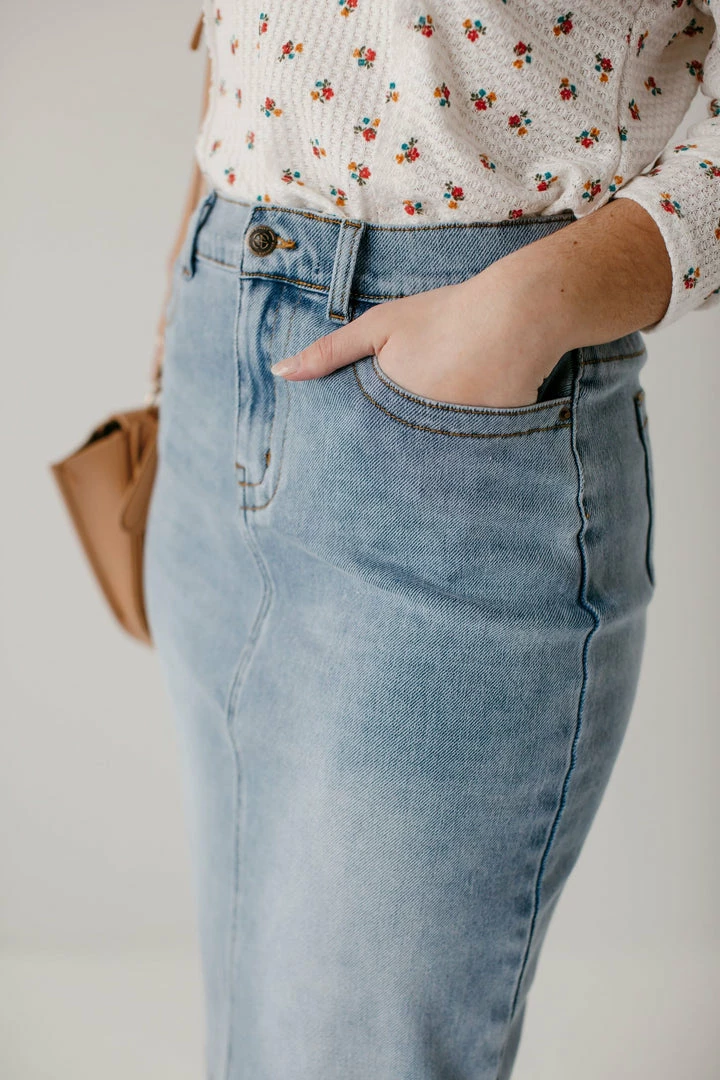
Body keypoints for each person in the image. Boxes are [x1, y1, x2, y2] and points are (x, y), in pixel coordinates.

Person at [144, 4, 719, 1079]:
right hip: (219, 348)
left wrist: (526, 311)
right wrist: (187, 286)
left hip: (454, 416)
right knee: (258, 1032)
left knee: (342, 1052)